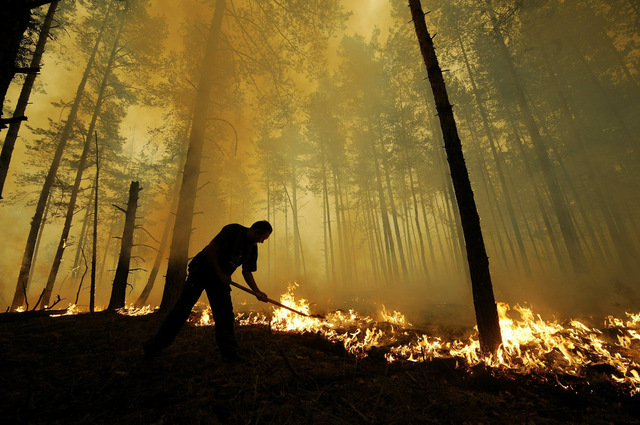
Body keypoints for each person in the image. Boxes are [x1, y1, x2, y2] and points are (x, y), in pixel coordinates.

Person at [143, 220, 272, 362]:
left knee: (225, 314)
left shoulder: (252, 249)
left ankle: (229, 353)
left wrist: (257, 292)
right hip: (201, 272)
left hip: (219, 280)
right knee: (182, 310)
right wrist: (220, 273)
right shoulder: (233, 230)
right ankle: (153, 347)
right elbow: (210, 250)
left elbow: (247, 271)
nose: (262, 242)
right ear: (255, 231)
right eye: (262, 238)